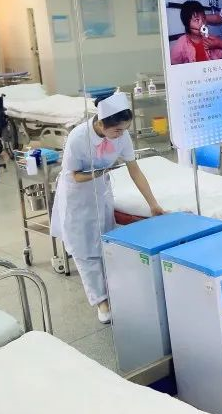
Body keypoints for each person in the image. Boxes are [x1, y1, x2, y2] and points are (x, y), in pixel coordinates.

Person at [50, 92, 164, 323]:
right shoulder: (78, 137)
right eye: (117, 130)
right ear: (101, 124)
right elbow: (75, 175)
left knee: (106, 245)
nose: (121, 134)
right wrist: (101, 172)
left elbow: (134, 170)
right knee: (84, 250)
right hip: (77, 195)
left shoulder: (122, 135)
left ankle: (114, 292)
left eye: (125, 129)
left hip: (101, 190)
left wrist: (153, 204)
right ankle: (101, 301)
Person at [170, 1, 222, 65]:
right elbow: (174, 63)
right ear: (187, 23)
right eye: (197, 20)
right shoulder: (181, 43)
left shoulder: (212, 39)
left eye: (203, 18)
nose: (202, 23)